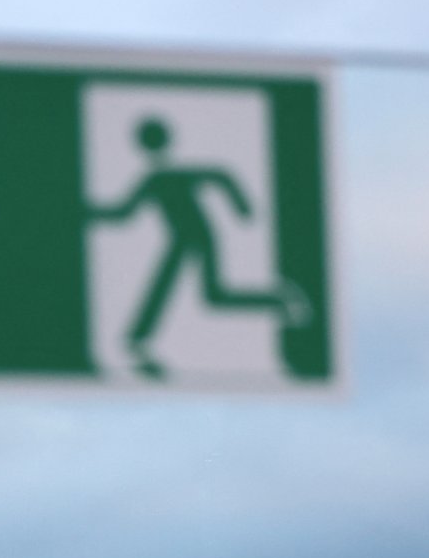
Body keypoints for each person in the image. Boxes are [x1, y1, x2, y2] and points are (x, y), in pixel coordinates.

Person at [90, 116, 310, 378]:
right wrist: (85, 212)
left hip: (199, 236)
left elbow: (219, 174)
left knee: (203, 293)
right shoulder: (153, 179)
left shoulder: (169, 176)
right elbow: (122, 213)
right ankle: (138, 341)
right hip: (185, 238)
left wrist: (241, 206)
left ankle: (138, 340)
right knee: (210, 295)